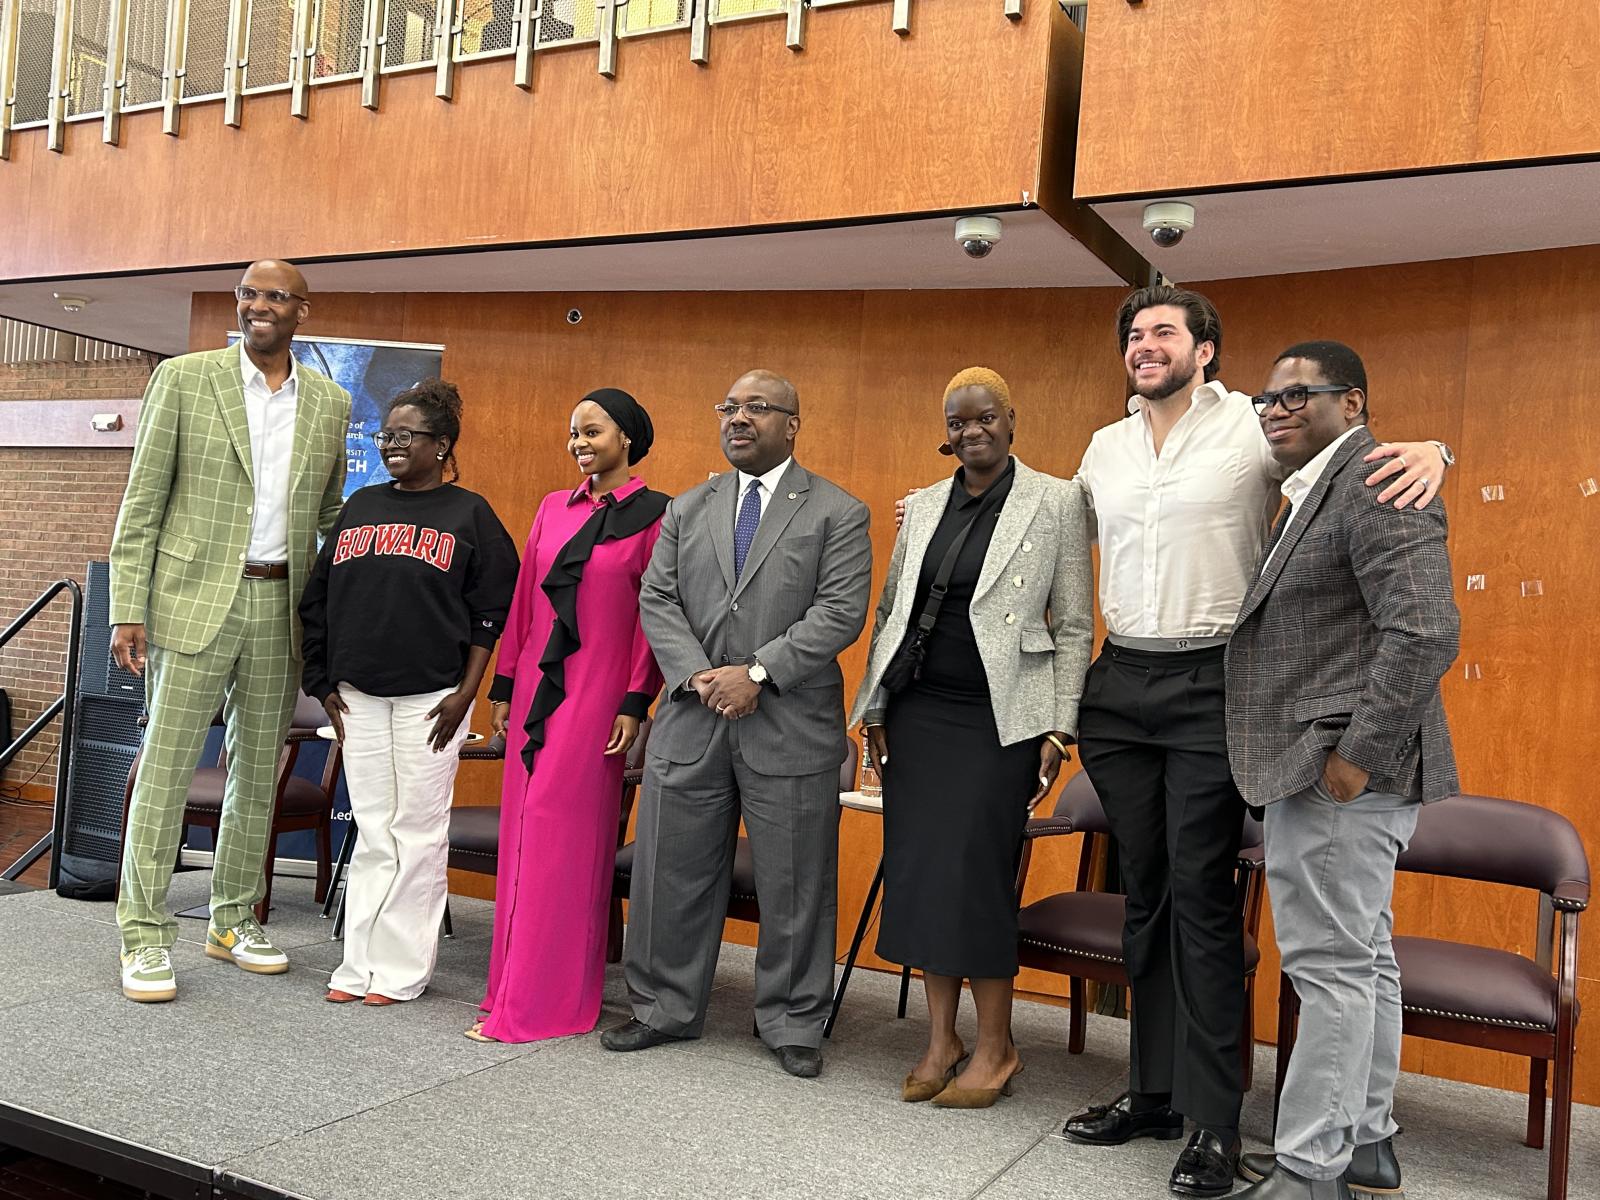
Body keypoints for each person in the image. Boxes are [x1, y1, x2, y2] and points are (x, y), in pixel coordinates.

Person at [1059, 286, 1454, 1197]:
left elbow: (1356, 471)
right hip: (1122, 685)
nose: (1143, 344)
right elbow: (1054, 526)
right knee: (1145, 895)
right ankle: (1151, 1090)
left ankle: (1210, 1122)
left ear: (1205, 350)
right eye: (1133, 333)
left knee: (1202, 900)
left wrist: (1438, 448)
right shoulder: (1105, 447)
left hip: (1212, 687)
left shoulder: (1252, 426)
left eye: (1163, 332)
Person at [1226, 343, 1458, 1199]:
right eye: (1268, 397)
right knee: (1363, 958)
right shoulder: (1319, 486)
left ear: (1351, 403)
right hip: (1335, 769)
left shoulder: (1371, 481)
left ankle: (1308, 1169)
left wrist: (1356, 756)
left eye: (1300, 394)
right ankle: (1364, 1140)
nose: (1278, 408)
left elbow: (1427, 630)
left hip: (1340, 773)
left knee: (1327, 968)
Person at [602, 369, 872, 1078]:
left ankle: (792, 1022)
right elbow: (657, 598)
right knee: (671, 872)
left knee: (796, 883)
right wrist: (701, 675)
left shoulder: (837, 512)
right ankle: (664, 1007)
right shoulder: (688, 508)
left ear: (793, 424)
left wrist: (755, 674)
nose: (740, 418)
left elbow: (841, 613)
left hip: (789, 721)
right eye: (731, 407)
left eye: (758, 407)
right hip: (693, 718)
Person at [109, 260, 351, 1003]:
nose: (258, 306)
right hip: (190, 600)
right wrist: (128, 604)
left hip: (280, 608)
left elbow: (328, 517)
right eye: (248, 294)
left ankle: (233, 918)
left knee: (256, 776)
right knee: (167, 769)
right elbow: (143, 497)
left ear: (301, 311)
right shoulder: (185, 379)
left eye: (275, 296)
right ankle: (144, 935)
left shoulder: (331, 403)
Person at [851, 368, 1092, 1108]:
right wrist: (877, 708)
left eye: (985, 416)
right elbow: (893, 609)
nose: (971, 430)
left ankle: (998, 1046)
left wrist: (1060, 726)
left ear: (1011, 420)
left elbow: (1076, 624)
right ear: (946, 431)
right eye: (957, 421)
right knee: (922, 878)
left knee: (978, 881)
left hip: (1002, 722)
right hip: (919, 714)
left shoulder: (1056, 501)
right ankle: (941, 1040)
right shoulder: (923, 505)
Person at [299, 380, 518, 1006]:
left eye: (406, 436)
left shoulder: (469, 514)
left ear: (441, 444)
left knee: (417, 834)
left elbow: (490, 614)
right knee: (372, 830)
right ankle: (355, 965)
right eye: (385, 435)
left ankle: (400, 972)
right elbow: (318, 601)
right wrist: (322, 681)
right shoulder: (360, 505)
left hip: (433, 698)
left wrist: (464, 693)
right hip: (357, 695)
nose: (392, 445)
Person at [469, 388, 669, 1043]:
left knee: (567, 843)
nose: (579, 443)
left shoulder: (659, 517)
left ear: (628, 438)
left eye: (592, 431)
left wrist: (637, 701)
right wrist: (501, 686)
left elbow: (654, 620)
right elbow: (527, 599)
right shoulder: (553, 508)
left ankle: (546, 1002)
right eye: (573, 433)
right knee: (525, 834)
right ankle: (508, 990)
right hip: (533, 691)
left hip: (599, 697)